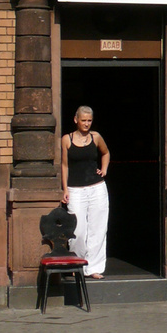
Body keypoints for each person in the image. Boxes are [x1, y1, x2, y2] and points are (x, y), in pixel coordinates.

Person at [61, 106, 110, 279]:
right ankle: (76, 264)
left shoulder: (96, 137)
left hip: (97, 188)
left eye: (89, 120)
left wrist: (104, 169)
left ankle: (93, 268)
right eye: (84, 120)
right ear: (76, 120)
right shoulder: (67, 139)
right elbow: (64, 165)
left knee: (97, 229)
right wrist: (65, 188)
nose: (87, 123)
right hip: (76, 190)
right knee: (78, 230)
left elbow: (105, 152)